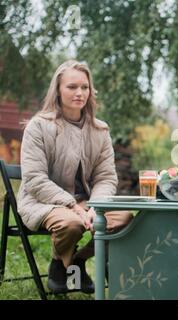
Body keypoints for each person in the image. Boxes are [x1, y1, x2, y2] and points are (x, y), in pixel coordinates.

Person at [17, 60, 133, 294]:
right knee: (72, 223)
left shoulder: (100, 130)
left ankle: (74, 261)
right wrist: (74, 206)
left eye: (85, 87)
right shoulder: (38, 127)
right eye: (72, 87)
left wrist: (94, 207)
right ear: (58, 90)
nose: (79, 93)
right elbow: (34, 179)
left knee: (125, 219)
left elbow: (106, 178)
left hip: (86, 202)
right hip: (45, 201)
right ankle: (61, 263)